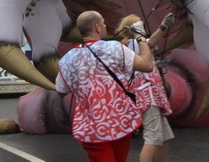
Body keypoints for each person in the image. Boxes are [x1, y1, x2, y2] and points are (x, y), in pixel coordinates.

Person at [56, 10, 153, 162]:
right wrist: (141, 36)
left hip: (91, 127)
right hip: (121, 122)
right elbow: (147, 65)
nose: (105, 25)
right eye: (103, 22)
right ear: (97, 28)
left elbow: (61, 91)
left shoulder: (66, 60)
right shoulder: (115, 48)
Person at [116, 14, 175, 162]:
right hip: (148, 95)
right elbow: (151, 42)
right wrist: (163, 25)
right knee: (153, 138)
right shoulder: (134, 43)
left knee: (164, 138)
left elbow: (149, 45)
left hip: (153, 95)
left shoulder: (133, 44)